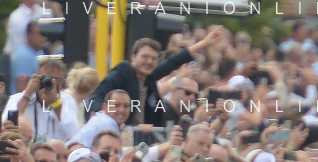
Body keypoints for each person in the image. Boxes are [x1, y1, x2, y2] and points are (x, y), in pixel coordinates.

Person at [86, 27, 226, 126]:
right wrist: (103, 116)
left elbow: (174, 62)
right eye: (145, 57)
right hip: (118, 135)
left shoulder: (150, 77)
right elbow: (97, 95)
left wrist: (203, 44)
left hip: (144, 137)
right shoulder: (124, 70)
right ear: (133, 57)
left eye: (153, 59)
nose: (149, 62)